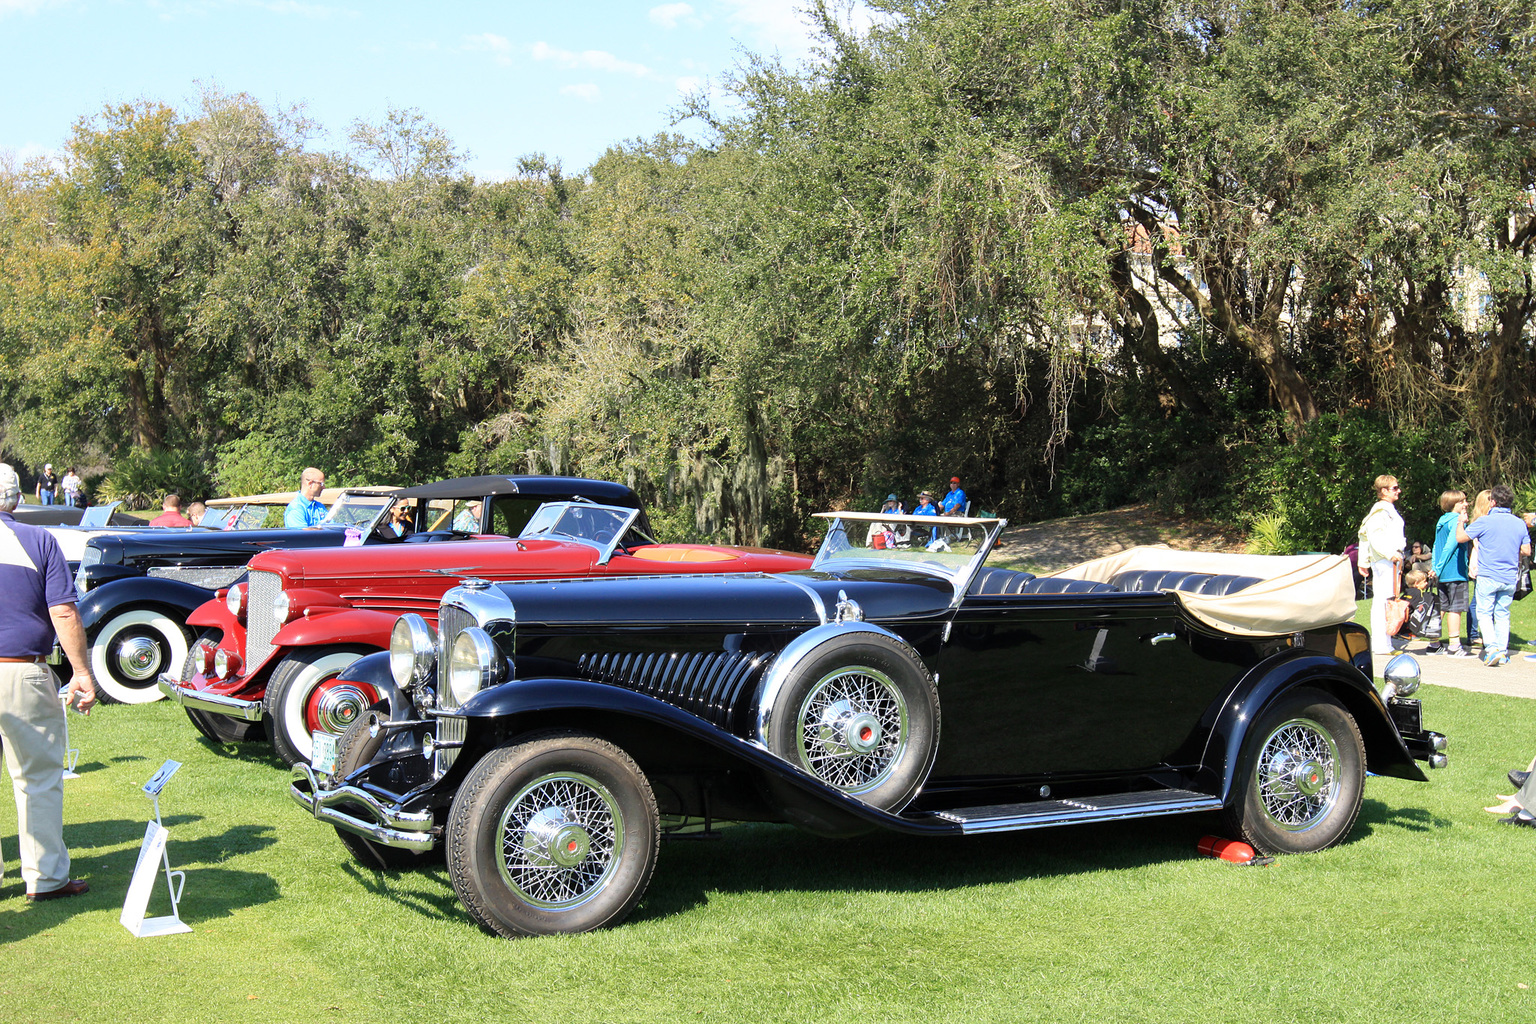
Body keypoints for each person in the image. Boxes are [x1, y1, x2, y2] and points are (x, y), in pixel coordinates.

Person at [0, 462, 96, 901]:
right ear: (18, 498)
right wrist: (81, 672)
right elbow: (63, 611)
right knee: (37, 779)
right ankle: (46, 879)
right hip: (21, 669)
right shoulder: (39, 539)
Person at [1458, 483, 1532, 666]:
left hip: (1488, 574)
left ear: (1493, 502)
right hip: (1509, 577)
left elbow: (1461, 538)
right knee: (1502, 613)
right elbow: (1527, 550)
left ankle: (1491, 649)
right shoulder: (1519, 524)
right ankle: (1502, 650)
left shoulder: (1484, 521)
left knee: (1484, 612)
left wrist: (1461, 522)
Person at [1358, 474, 1407, 656]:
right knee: (1383, 601)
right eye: (1395, 488)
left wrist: (1363, 560)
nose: (1398, 491)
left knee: (1387, 600)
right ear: (1383, 491)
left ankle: (1385, 642)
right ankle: (1381, 644)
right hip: (1386, 560)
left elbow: (1364, 536)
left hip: (1390, 559)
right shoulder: (1380, 511)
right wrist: (1390, 554)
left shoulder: (1387, 509)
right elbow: (1372, 536)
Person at [1428, 490, 1473, 657]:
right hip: (1455, 570)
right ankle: (1454, 645)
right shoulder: (1456, 520)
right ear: (1455, 504)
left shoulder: (1442, 520)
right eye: (1463, 502)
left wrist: (1435, 566)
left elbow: (1436, 545)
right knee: (1455, 608)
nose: (1466, 504)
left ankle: (1434, 643)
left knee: (1442, 606)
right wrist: (1438, 567)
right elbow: (1450, 545)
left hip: (1441, 573)